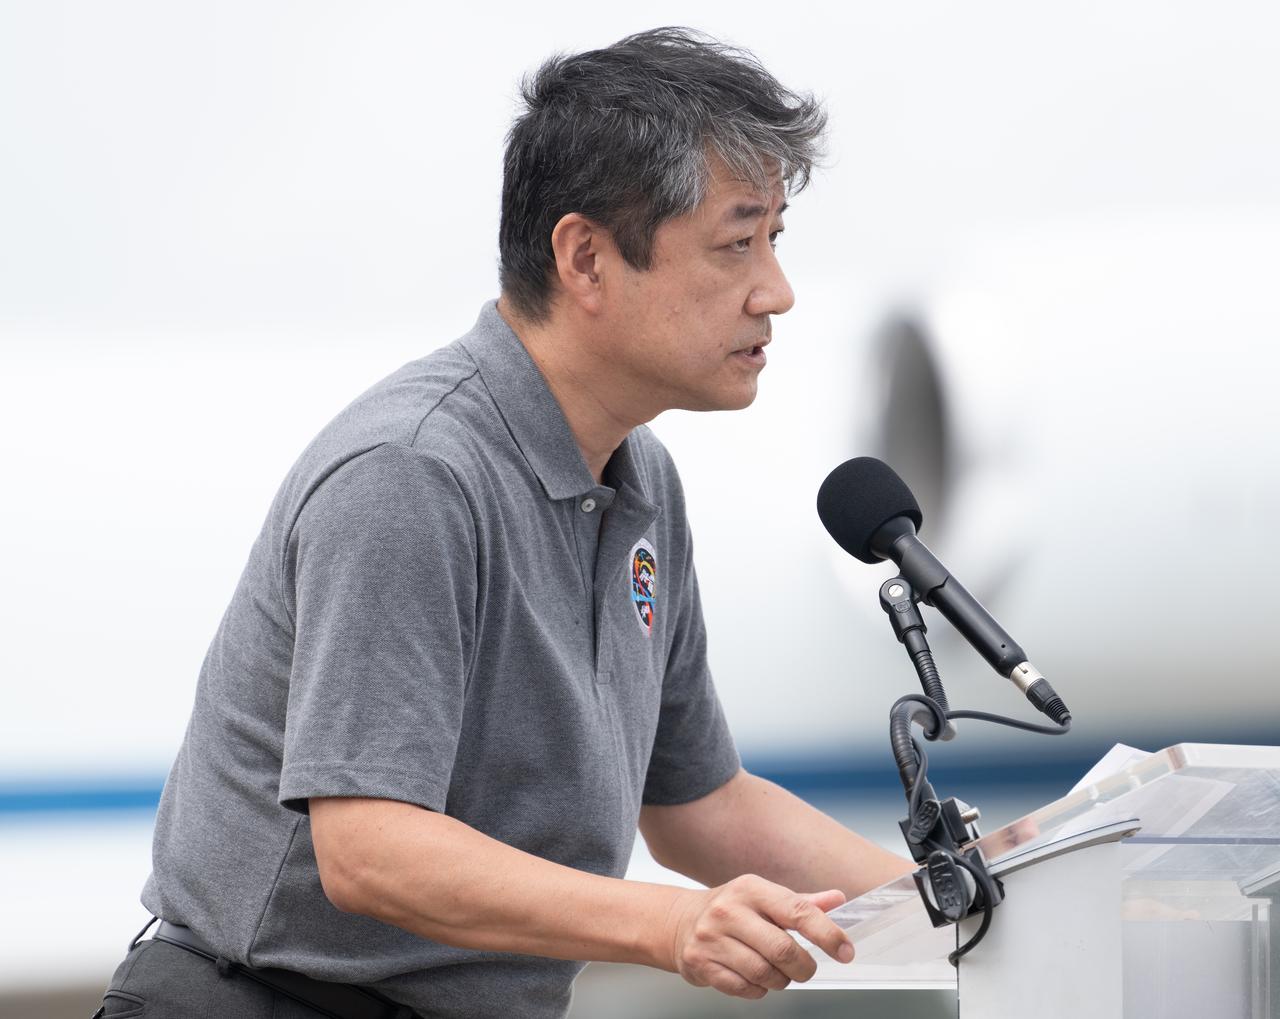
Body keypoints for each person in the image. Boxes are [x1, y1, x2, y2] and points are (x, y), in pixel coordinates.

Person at [94, 27, 914, 1019]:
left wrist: (958, 905)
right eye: (735, 242)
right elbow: (370, 849)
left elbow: (701, 807)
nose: (773, 291)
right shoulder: (412, 472)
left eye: (773, 239)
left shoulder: (641, 477)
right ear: (584, 257)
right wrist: (662, 924)